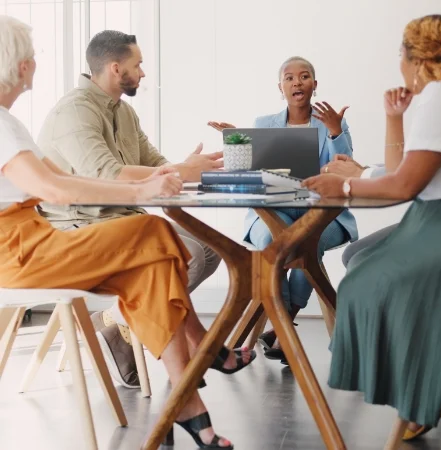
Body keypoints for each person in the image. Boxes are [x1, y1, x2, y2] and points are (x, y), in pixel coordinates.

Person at [0, 15, 255, 448]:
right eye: (32, 54)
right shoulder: (7, 124)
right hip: (20, 250)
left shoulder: (12, 123)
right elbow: (54, 189)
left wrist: (153, 180)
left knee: (152, 268)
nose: (35, 62)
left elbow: (67, 177)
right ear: (19, 64)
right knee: (154, 231)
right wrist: (141, 186)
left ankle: (187, 405)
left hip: (35, 241)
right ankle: (209, 352)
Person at [36, 30, 223, 389]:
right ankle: (128, 330)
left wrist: (187, 166)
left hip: (121, 216)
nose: (143, 73)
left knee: (211, 251)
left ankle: (113, 322)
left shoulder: (125, 113)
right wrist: (178, 171)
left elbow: (154, 163)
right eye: (138, 65)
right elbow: (107, 175)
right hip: (81, 223)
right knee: (191, 256)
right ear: (115, 67)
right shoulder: (75, 111)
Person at [302, 14, 441, 442]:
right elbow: (406, 169)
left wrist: (344, 184)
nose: (398, 62)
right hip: (428, 217)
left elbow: (403, 185)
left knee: (365, 280)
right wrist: (395, 116)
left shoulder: (440, 96)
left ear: (416, 57)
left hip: (437, 223)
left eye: (401, 53)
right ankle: (425, 388)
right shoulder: (433, 97)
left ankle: (423, 386)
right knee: (360, 259)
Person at [209, 57, 358, 363]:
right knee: (268, 242)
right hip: (272, 211)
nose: (297, 82)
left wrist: (334, 133)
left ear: (314, 86)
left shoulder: (334, 124)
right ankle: (283, 327)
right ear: (281, 88)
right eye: (289, 78)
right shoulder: (265, 124)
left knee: (306, 241)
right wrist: (236, 140)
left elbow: (347, 169)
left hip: (320, 213)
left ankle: (282, 324)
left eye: (304, 77)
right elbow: (250, 173)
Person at [321, 155, 398, 267]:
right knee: (352, 254)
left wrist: (361, 173)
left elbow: (411, 172)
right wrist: (362, 171)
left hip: (428, 222)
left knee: (356, 257)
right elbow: (405, 165)